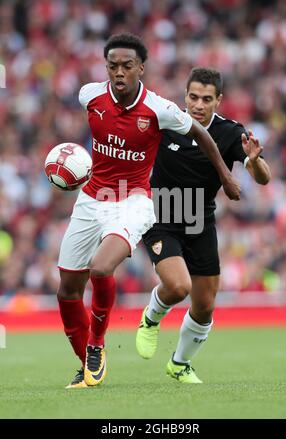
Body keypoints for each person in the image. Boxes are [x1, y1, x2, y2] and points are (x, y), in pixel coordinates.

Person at [56, 34, 241, 389]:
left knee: (101, 266)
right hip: (92, 198)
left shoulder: (159, 109)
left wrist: (225, 175)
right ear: (105, 67)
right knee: (66, 289)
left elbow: (201, 133)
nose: (119, 73)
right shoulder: (88, 96)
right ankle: (87, 365)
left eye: (127, 66)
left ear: (141, 68)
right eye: (113, 66)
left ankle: (97, 343)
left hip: (134, 201)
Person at [136, 67, 271, 383]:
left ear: (219, 100)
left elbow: (262, 177)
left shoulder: (229, 133)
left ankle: (179, 364)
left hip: (200, 218)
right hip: (160, 216)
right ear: (185, 96)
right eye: (193, 97)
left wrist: (253, 161)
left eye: (206, 99)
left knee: (205, 303)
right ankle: (151, 318)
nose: (198, 104)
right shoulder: (167, 121)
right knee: (178, 286)